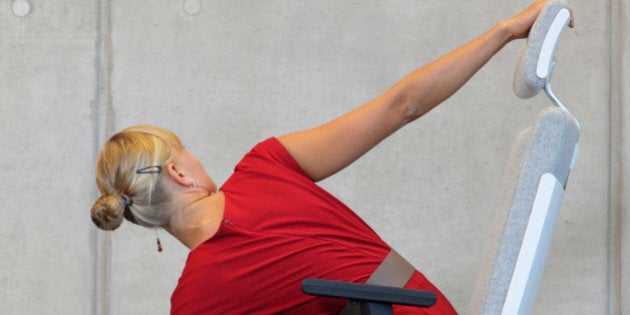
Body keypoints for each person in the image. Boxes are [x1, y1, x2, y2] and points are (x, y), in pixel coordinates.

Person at [90, 1, 574, 314]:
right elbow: (402, 105)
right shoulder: (264, 166)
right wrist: (504, 30)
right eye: (184, 151)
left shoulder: (196, 300)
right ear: (177, 171)